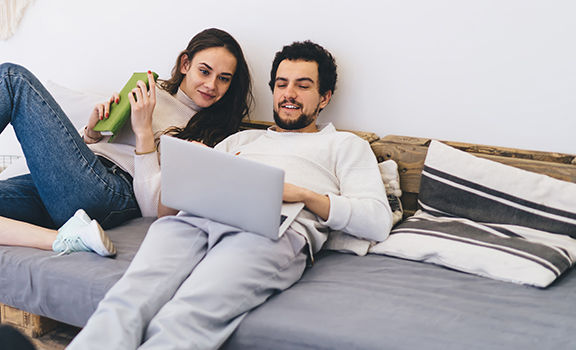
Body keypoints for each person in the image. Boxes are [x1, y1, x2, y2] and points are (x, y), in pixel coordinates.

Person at [65, 40, 394, 349]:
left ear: (324, 97)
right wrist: (189, 171)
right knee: (126, 301)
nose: (288, 94)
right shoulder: (241, 141)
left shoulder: (345, 145)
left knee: (185, 316)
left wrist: (302, 195)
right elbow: (164, 212)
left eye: (302, 85)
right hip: (195, 219)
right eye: (281, 84)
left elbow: (377, 221)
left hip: (272, 226)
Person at [0, 28, 253, 257]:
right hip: (67, 187)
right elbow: (96, 149)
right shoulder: (148, 90)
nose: (211, 85)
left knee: (11, 78)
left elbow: (153, 208)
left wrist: (146, 133)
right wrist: (94, 132)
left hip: (112, 194)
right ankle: (63, 237)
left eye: (224, 79)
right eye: (204, 70)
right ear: (185, 64)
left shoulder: (215, 134)